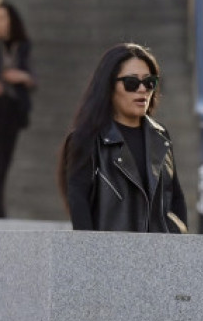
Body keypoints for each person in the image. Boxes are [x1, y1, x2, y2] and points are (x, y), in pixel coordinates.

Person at [57, 43, 187, 233]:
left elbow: (176, 199)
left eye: (149, 82)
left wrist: (179, 245)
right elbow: (79, 207)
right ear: (109, 87)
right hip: (110, 257)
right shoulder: (88, 141)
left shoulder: (160, 137)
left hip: (160, 256)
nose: (142, 90)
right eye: (131, 83)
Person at [0, 2, 35, 218]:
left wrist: (21, 77)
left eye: (2, 17)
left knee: (5, 159)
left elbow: (31, 78)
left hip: (14, 109)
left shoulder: (22, 45)